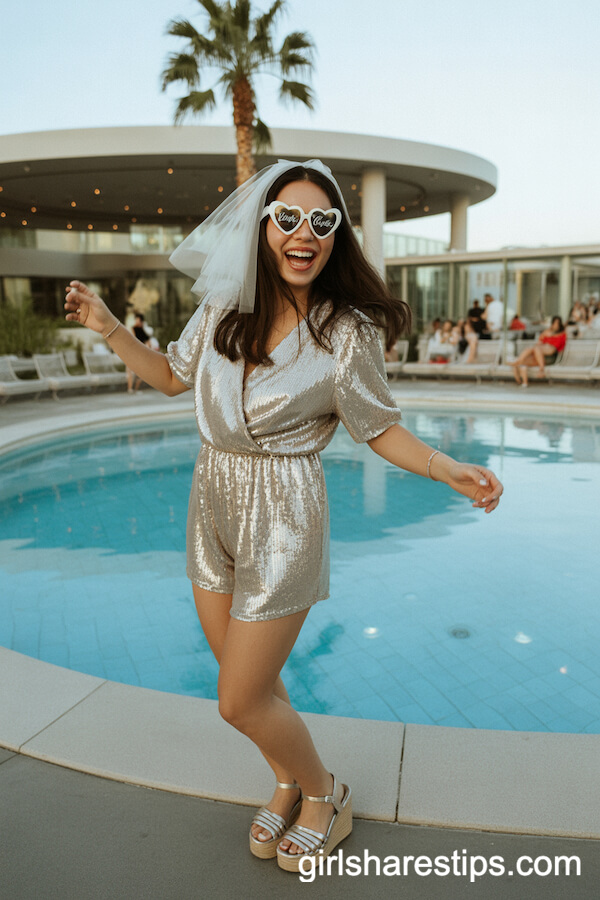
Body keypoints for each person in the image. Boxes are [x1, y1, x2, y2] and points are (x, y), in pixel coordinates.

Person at [64, 159, 503, 872]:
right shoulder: (220, 311)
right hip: (212, 497)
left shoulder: (344, 332)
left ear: (337, 237)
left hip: (285, 514)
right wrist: (112, 326)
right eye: (289, 218)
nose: (306, 233)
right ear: (264, 229)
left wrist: (445, 466)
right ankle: (287, 779)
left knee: (235, 700)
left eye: (323, 222)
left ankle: (327, 793)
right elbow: (172, 376)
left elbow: (377, 425)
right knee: (255, 685)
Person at [509, 315, 566, 387]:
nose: (555, 325)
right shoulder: (547, 332)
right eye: (554, 323)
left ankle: (541, 370)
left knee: (536, 348)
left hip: (550, 356)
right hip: (540, 355)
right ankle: (521, 380)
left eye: (557, 323)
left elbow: (560, 348)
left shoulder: (562, 334)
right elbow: (539, 342)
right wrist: (545, 334)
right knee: (527, 354)